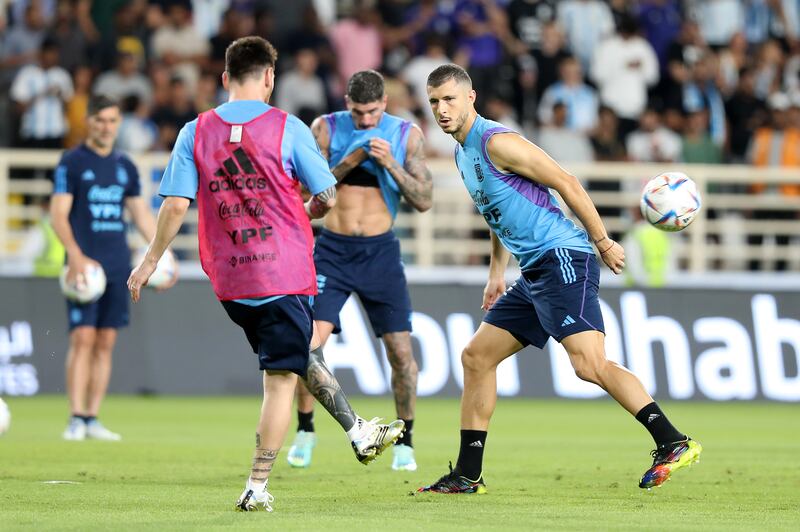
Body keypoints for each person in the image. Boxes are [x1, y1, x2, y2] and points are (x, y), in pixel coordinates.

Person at [127, 37, 404, 512]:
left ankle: (358, 432)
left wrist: (151, 259)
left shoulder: (195, 131)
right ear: (270, 78)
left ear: (223, 78)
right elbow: (329, 196)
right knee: (281, 377)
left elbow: (175, 204)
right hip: (281, 270)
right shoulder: (287, 128)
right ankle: (257, 486)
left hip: (231, 280)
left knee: (296, 352)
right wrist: (308, 207)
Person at [419, 64, 701, 494]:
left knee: (589, 365)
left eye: (450, 99)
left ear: (471, 97)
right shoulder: (461, 153)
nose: (442, 109)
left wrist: (603, 240)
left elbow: (566, 182)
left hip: (563, 257)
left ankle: (672, 441)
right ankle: (467, 475)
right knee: (476, 357)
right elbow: (497, 214)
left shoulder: (498, 142)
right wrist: (497, 273)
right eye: (435, 101)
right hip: (533, 270)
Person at [287, 69, 433, 473]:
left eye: (371, 112)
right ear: (346, 104)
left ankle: (405, 439)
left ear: (384, 104)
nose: (365, 121)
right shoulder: (327, 130)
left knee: (401, 354)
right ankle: (306, 430)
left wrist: (391, 165)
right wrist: (352, 159)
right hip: (332, 250)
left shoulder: (407, 135)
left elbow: (423, 200)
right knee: (308, 344)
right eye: (357, 112)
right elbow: (303, 192)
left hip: (380, 253)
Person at [51, 94, 171, 441]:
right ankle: (75, 417)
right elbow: (58, 215)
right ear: (89, 121)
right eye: (100, 120)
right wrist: (74, 254)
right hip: (83, 265)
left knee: (105, 341)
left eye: (112, 121)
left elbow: (142, 216)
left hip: (118, 263)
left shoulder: (125, 166)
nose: (106, 127)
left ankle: (92, 417)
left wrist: (162, 257)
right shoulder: (71, 162)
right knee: (82, 338)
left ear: (119, 124)